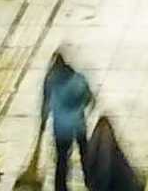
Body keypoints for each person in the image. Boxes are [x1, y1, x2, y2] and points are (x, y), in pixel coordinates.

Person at [38, 51, 96, 191]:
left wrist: (43, 121)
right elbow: (90, 99)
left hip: (62, 129)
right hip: (79, 124)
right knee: (84, 155)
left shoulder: (51, 81)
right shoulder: (79, 79)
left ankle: (61, 187)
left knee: (62, 160)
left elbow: (46, 104)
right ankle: (91, 181)